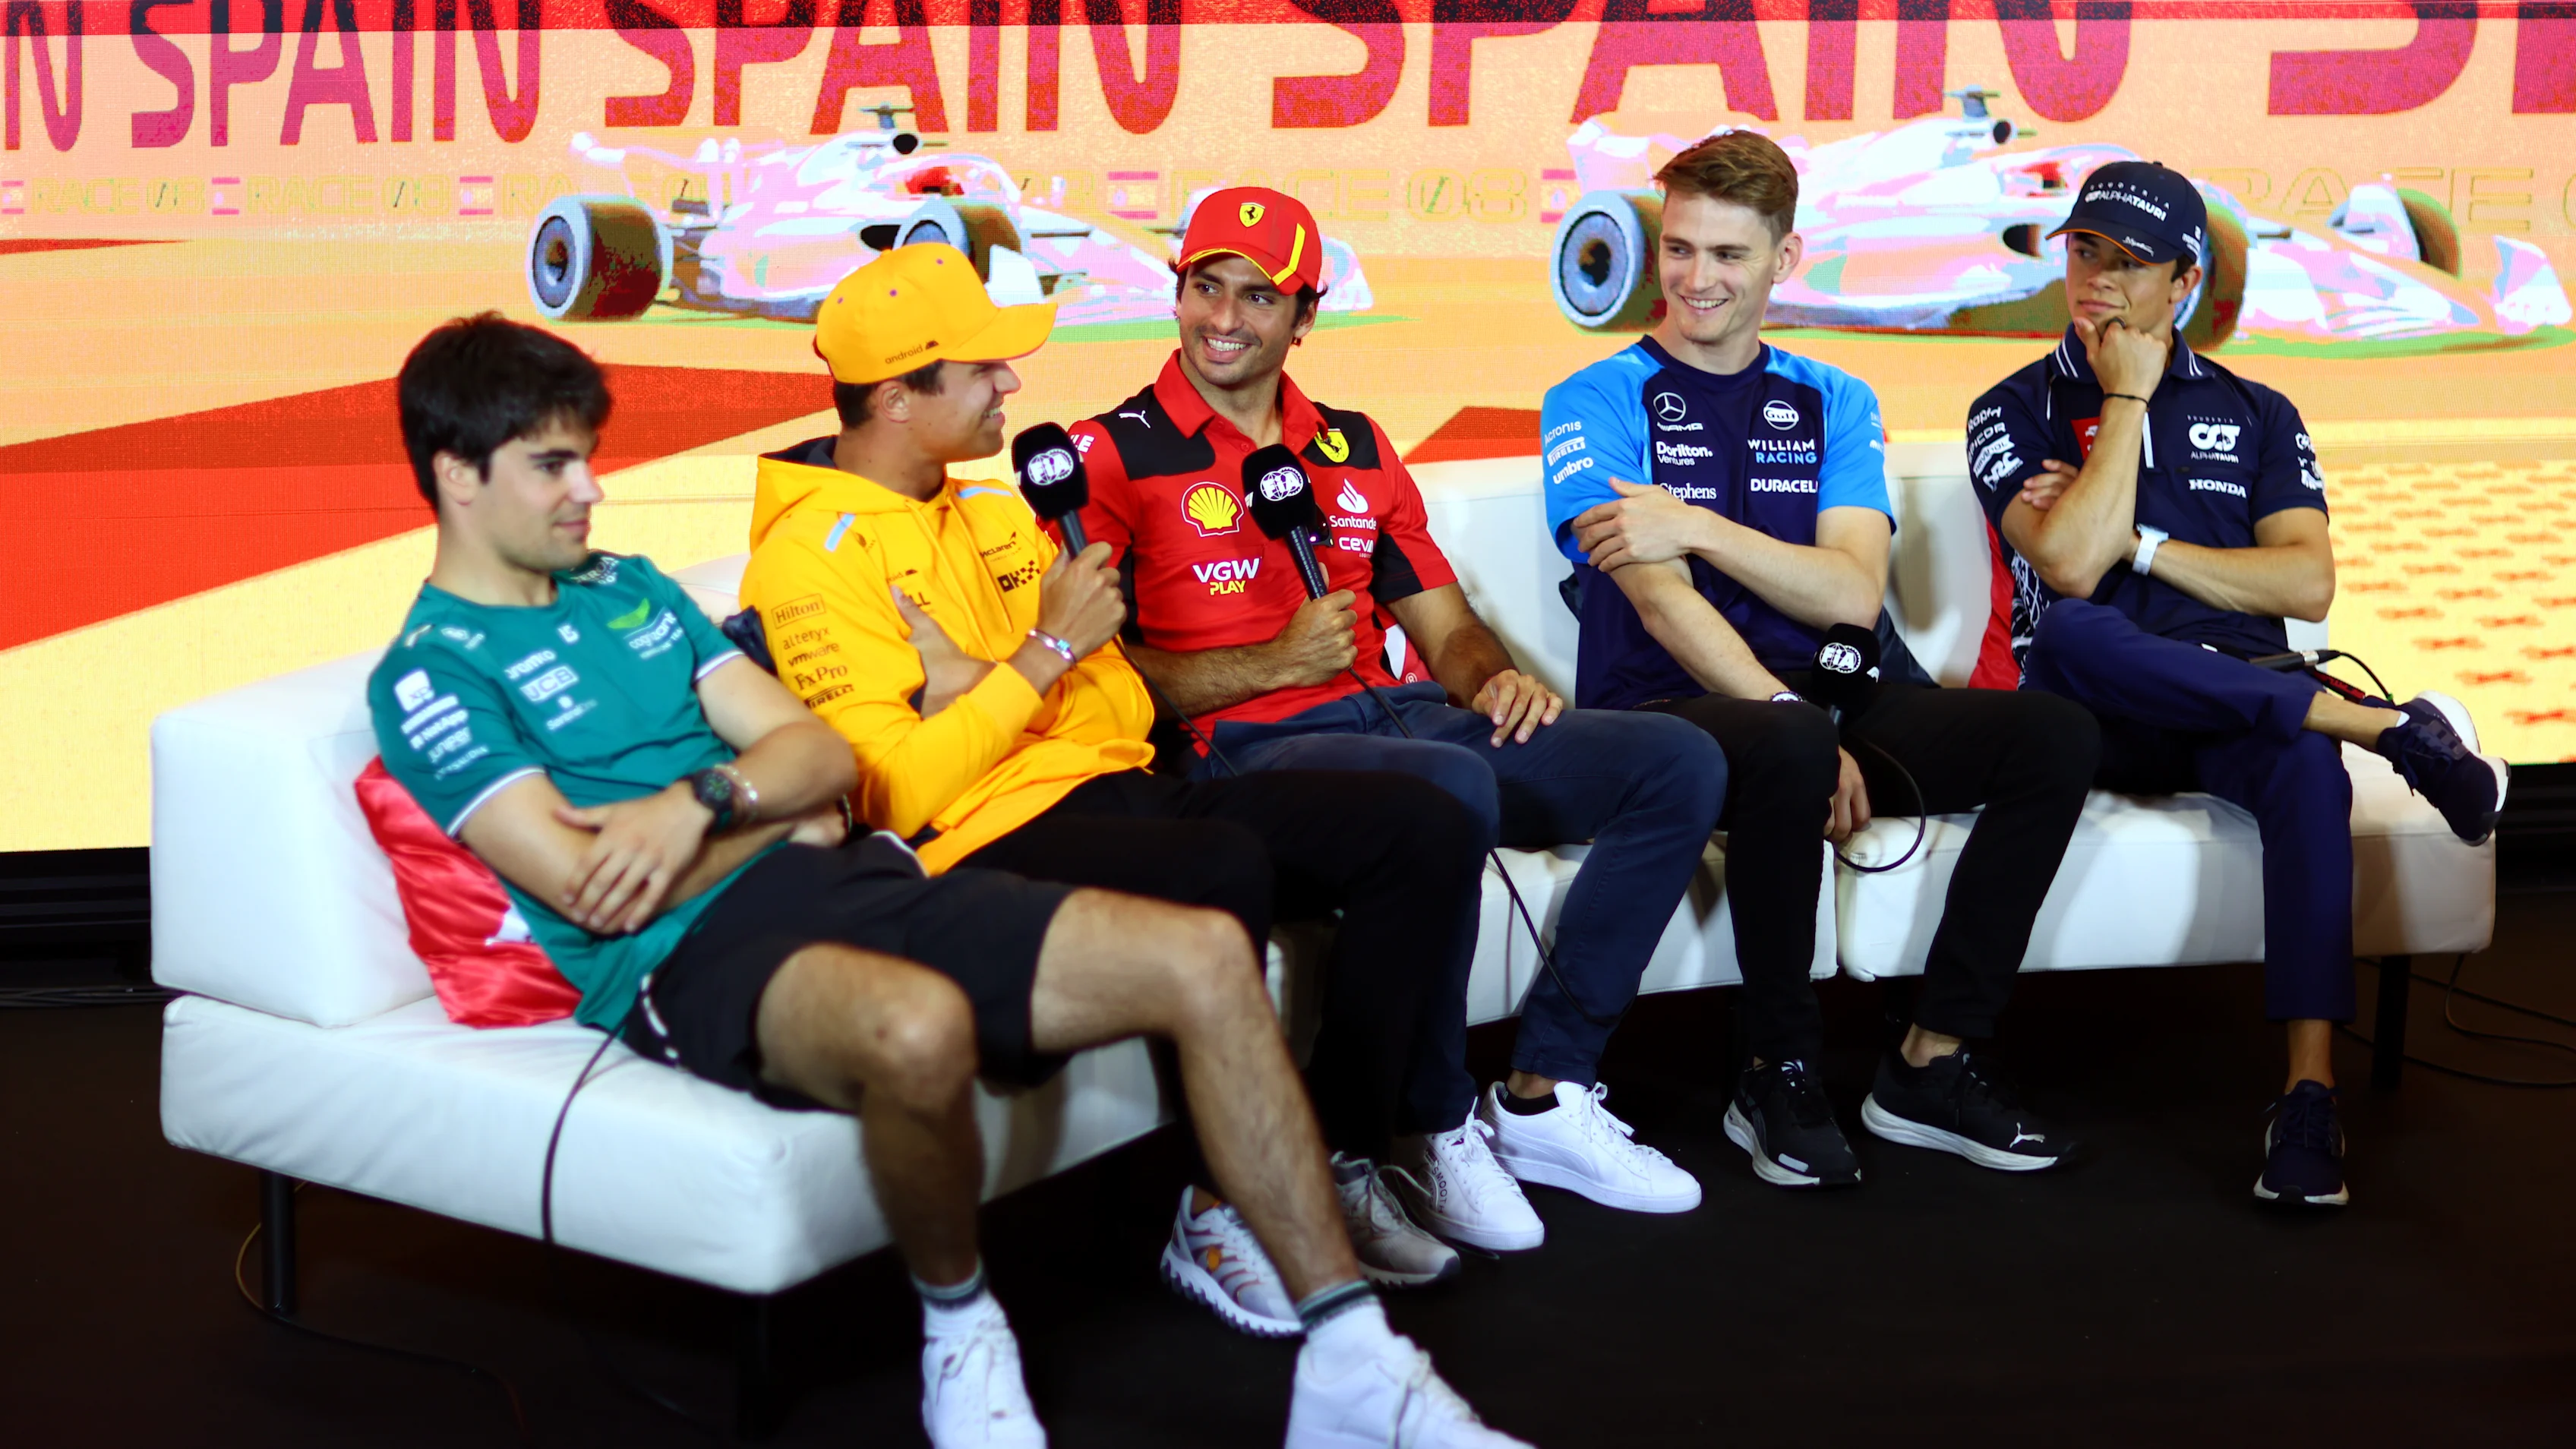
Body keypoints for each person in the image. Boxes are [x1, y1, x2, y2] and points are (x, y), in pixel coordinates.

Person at [371, 314, 1531, 1449]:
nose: (591, 491)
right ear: (457, 477)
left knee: (1206, 953)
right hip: (691, 959)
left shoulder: (630, 588)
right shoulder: (428, 673)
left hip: (861, 878)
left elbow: (820, 762)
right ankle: (961, 1332)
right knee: (922, 1028)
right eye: (552, 466)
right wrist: (780, 816)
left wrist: (704, 802)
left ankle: (1352, 1357)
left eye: (587, 458)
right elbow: (595, 894)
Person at [736, 248, 1511, 1327]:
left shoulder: (1000, 514)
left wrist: (981, 683)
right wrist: (1043, 657)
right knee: (1222, 861)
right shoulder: (806, 561)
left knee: (1427, 822)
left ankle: (1336, 1158)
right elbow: (901, 793)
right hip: (982, 836)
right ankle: (1210, 1207)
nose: (1012, 384)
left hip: (1116, 785)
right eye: (984, 369)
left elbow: (1126, 706)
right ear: (899, 400)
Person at [1069, 188, 1728, 1241]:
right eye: (1204, 288)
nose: (1224, 318)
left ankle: (1547, 1090)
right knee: (1447, 789)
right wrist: (1265, 663)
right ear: (1178, 292)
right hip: (1247, 759)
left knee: (1677, 763)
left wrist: (1490, 679)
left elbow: (1447, 625)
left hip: (1409, 720)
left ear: (1304, 316)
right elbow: (1085, 676)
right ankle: (1428, 1125)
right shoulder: (1109, 457)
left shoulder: (1353, 445)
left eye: (1257, 295)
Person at [1540, 131, 2104, 1188]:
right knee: (1788, 746)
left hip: (1833, 701)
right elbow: (1658, 604)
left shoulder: (1836, 400)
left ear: (1784, 261)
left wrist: (1694, 524)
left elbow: (1851, 592)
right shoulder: (1596, 397)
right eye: (1681, 248)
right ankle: (1776, 1063)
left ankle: (1931, 1059)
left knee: (2056, 735)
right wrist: (1786, 707)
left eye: (1729, 255)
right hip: (1667, 711)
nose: (1696, 278)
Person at [1962, 162, 2506, 1208]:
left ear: (2184, 279)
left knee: (2307, 769)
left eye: (2128, 263)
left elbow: (2305, 581)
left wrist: (2147, 543)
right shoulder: (2014, 407)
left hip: (2238, 693)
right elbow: (2070, 567)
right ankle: (2385, 728)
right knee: (2073, 626)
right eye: (2084, 252)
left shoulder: (2259, 410)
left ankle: (2309, 1096)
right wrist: (2125, 396)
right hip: (2093, 708)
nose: (2097, 282)